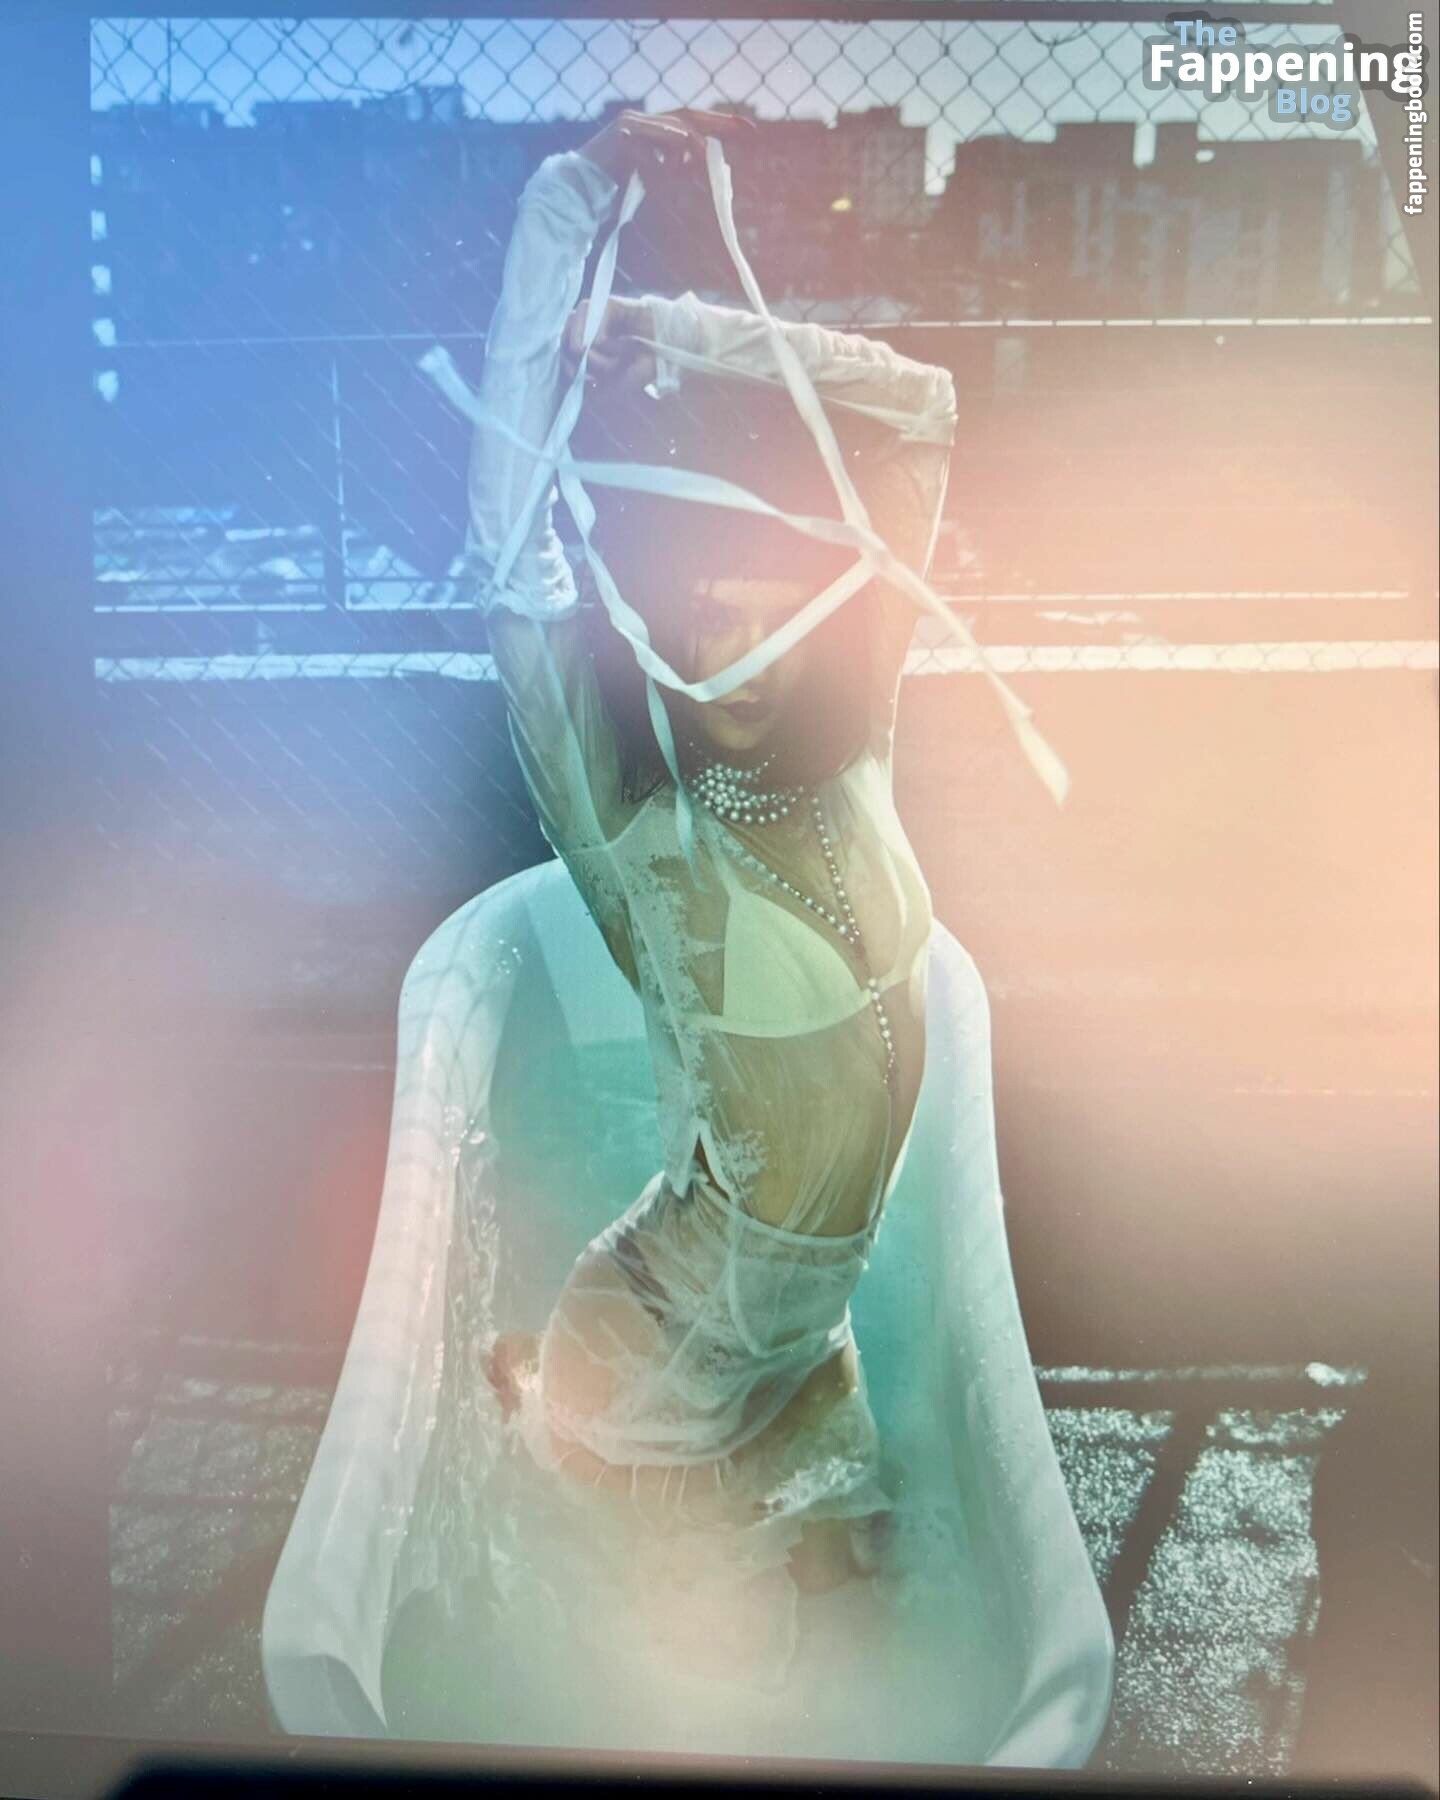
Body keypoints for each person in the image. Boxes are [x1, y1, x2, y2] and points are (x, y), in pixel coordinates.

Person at [466, 107, 957, 1671]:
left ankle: (525, 1394)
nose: (731, 645)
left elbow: (922, 405)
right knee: (654, 1673)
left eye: (764, 605)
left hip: (808, 1342)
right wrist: (568, 213)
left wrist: (660, 327)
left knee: (874, 1656)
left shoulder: (858, 745)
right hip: (655, 1358)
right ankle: (537, 1396)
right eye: (698, 612)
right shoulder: (637, 825)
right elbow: (510, 557)